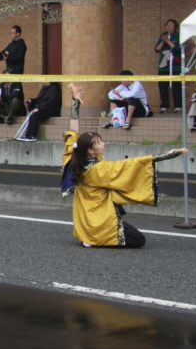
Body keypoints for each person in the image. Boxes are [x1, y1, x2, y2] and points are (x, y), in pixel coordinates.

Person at [62, 83, 187, 248]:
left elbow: (73, 129)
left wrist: (75, 102)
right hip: (99, 220)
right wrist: (170, 154)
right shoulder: (98, 169)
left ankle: (88, 236)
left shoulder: (74, 156)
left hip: (85, 218)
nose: (103, 144)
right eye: (99, 143)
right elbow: (131, 165)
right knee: (138, 240)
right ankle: (95, 238)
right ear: (91, 151)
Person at [154, 19, 182, 112]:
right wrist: (163, 40)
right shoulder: (163, 35)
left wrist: (167, 40)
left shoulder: (178, 35)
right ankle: (164, 106)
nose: (168, 26)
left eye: (171, 25)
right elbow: (157, 49)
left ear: (175, 27)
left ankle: (178, 106)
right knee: (163, 87)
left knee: (176, 86)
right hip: (163, 66)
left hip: (174, 65)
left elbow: (176, 48)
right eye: (167, 24)